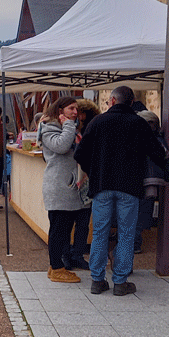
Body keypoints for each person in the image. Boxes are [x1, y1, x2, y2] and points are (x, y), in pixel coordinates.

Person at [74, 85, 169, 296]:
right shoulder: (139, 123)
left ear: (111, 101)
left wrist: (93, 171)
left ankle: (97, 280)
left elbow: (80, 153)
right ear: (131, 102)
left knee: (100, 232)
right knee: (126, 234)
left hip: (102, 186)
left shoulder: (97, 122)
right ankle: (120, 281)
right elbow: (156, 151)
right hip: (130, 186)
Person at [38, 96, 90, 283]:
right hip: (58, 187)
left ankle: (55, 267)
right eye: (71, 109)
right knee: (58, 230)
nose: (75, 112)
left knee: (64, 228)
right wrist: (69, 125)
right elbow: (61, 146)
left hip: (67, 187)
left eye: (76, 109)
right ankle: (57, 268)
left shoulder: (66, 128)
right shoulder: (49, 128)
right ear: (60, 111)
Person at [63, 98, 101, 271]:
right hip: (81, 178)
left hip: (83, 178)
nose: (79, 115)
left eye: (81, 112)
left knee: (81, 220)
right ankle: (73, 254)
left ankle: (74, 254)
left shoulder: (87, 129)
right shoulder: (75, 128)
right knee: (76, 220)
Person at [133, 110, 169, 253]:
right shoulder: (159, 140)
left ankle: (134, 243)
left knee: (135, 214)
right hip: (151, 182)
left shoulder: (138, 138)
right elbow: (166, 160)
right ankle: (135, 243)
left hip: (138, 181)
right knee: (141, 213)